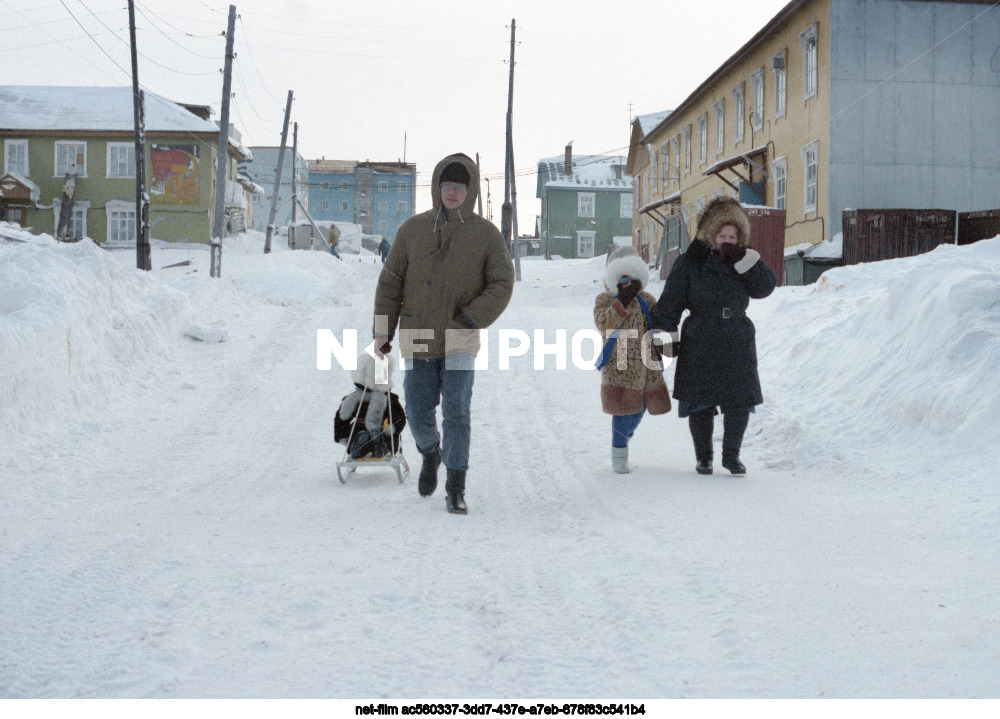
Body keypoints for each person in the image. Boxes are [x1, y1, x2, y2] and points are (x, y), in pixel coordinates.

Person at [372, 153, 514, 514]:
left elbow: (501, 283)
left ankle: (455, 486)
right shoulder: (412, 230)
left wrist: (469, 318)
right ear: (437, 187)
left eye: (460, 186)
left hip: (461, 334)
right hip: (418, 331)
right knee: (418, 410)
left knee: (457, 411)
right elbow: (390, 283)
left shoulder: (486, 234)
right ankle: (430, 453)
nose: (453, 192)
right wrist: (382, 331)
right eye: (447, 185)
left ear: (470, 191)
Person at [653, 196, 776, 476]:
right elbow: (671, 301)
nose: (728, 240)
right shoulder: (690, 263)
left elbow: (765, 287)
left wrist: (746, 262)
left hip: (736, 337)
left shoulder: (744, 260)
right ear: (711, 235)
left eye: (733, 235)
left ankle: (731, 457)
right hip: (701, 337)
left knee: (739, 400)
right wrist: (665, 337)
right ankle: (704, 457)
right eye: (722, 235)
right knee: (700, 401)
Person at [594, 245, 672, 473]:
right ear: (614, 277)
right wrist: (622, 302)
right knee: (621, 410)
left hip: (646, 365)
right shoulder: (605, 300)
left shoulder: (646, 299)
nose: (628, 283)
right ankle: (619, 456)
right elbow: (603, 323)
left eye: (632, 277)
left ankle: (625, 434)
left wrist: (668, 341)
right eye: (623, 278)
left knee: (641, 407)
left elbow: (659, 323)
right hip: (618, 365)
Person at [334, 352, 406, 460]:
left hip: (383, 432)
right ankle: (361, 444)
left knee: (384, 437)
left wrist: (391, 428)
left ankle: (380, 445)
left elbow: (399, 418)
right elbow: (341, 418)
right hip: (359, 432)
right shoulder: (354, 400)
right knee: (360, 436)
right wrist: (343, 435)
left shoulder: (389, 400)